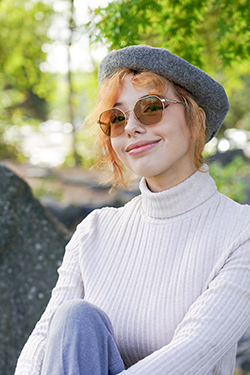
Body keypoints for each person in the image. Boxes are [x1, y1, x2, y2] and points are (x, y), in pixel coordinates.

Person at [15, 45, 250, 375]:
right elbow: (42, 339)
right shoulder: (95, 231)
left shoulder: (240, 231)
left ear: (195, 117)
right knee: (74, 319)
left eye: (151, 108)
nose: (131, 128)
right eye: (116, 118)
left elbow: (196, 349)